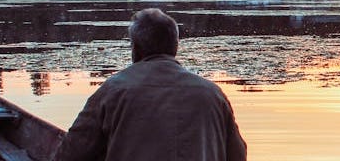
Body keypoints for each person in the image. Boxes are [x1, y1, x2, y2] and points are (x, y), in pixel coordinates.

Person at [52, 8, 247, 161]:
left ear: (135, 49)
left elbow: (69, 154)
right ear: (175, 47)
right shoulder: (213, 94)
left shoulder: (113, 91)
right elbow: (238, 155)